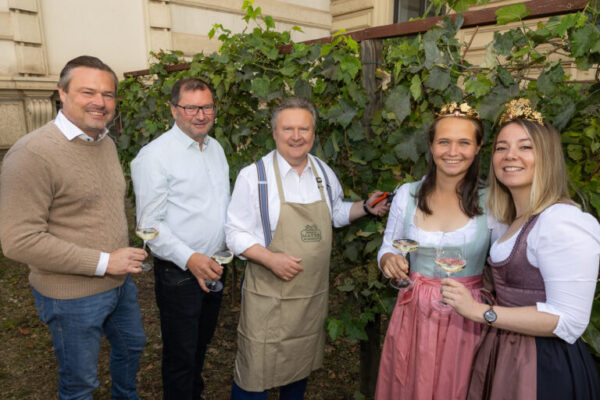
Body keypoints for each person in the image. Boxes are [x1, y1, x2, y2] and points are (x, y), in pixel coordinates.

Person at [0, 56, 147, 399]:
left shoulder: (105, 142)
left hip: (119, 285)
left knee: (132, 347)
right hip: (71, 296)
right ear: (62, 94)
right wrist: (104, 262)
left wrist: (114, 267)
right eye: (88, 92)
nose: (100, 102)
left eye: (108, 94)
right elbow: (18, 241)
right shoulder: (31, 154)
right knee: (81, 383)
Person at [225, 97, 389, 399]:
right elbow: (234, 233)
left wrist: (365, 207)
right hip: (268, 295)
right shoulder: (255, 177)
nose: (296, 136)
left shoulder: (323, 173)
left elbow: (335, 213)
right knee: (254, 372)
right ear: (274, 133)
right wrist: (270, 259)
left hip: (310, 296)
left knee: (298, 366)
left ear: (314, 133)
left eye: (304, 128)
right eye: (288, 128)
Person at [441, 98, 600, 399]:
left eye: (525, 147)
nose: (510, 155)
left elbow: (568, 320)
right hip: (506, 353)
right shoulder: (512, 220)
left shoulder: (562, 221)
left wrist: (481, 312)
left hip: (544, 367)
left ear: (547, 157)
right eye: (501, 147)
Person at [375, 102, 500, 400]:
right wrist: (389, 261)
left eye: (464, 143)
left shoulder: (494, 201)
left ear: (479, 147)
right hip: (414, 313)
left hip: (466, 315)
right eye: (444, 141)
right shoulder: (407, 194)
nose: (452, 151)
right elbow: (387, 249)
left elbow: (508, 261)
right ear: (431, 146)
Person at [130, 77, 229, 400]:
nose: (200, 115)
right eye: (191, 108)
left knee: (200, 347)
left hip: (214, 266)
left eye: (207, 106)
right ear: (174, 110)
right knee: (180, 358)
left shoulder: (215, 148)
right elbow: (149, 226)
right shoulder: (155, 156)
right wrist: (191, 259)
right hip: (180, 274)